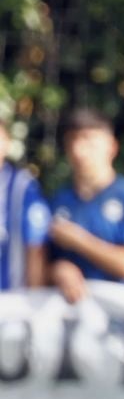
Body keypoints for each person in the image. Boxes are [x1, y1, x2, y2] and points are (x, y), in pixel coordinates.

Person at [47, 109, 124, 303]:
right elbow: (39, 264)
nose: (79, 150)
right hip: (68, 320)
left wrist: (79, 240)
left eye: (88, 140)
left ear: (111, 147)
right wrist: (57, 269)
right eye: (72, 140)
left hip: (121, 320)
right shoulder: (58, 200)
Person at [0, 120, 50, 292]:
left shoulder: (22, 186)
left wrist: (33, 302)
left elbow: (35, 247)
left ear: (6, 142)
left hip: (11, 303)